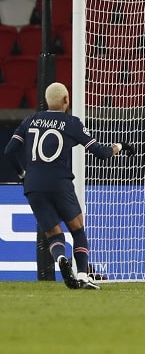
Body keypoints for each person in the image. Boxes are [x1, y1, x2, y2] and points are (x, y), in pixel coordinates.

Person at [4, 82, 136, 290]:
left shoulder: (30, 121)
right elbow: (101, 153)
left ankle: (60, 260)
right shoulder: (71, 123)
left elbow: (10, 151)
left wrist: (23, 175)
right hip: (59, 182)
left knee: (54, 234)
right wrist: (121, 146)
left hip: (34, 186)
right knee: (77, 230)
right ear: (66, 100)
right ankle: (83, 275)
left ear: (46, 101)